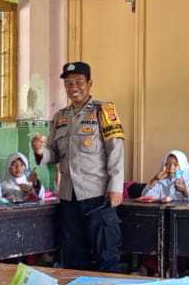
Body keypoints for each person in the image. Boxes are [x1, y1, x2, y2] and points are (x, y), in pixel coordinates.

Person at [31, 60, 125, 271]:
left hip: (98, 196)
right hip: (69, 196)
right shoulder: (60, 117)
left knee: (106, 254)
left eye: (79, 82)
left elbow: (115, 151)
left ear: (89, 83)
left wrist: (115, 187)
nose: (74, 88)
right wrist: (39, 152)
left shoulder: (104, 111)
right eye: (69, 83)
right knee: (73, 256)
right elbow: (53, 153)